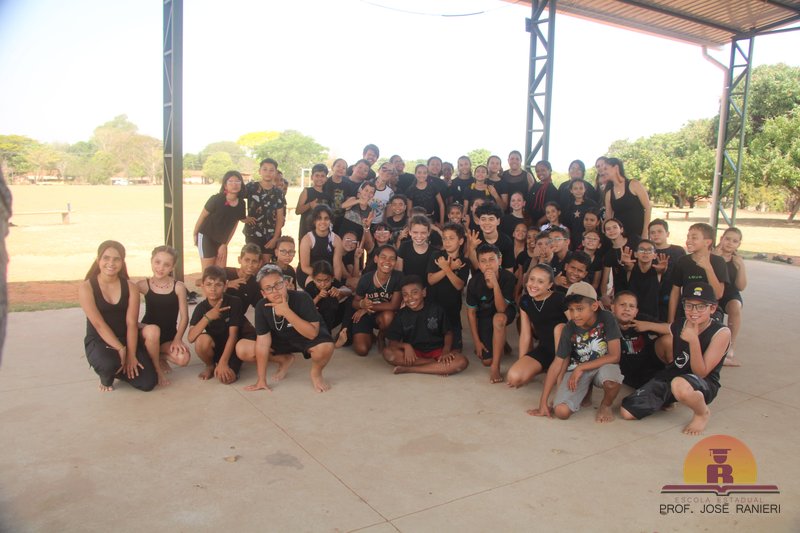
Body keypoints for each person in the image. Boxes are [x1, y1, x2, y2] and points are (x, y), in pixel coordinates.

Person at [621, 283, 731, 435]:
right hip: (673, 376)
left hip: (703, 383)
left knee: (680, 385)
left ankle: (702, 413)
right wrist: (647, 325)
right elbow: (667, 328)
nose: (694, 311)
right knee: (627, 412)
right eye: (689, 305)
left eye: (701, 307)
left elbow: (701, 373)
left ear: (712, 308)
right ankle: (669, 398)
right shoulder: (682, 323)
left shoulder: (721, 332)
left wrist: (693, 341)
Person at [529, 282, 623, 423]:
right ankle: (585, 390)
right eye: (571, 310)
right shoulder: (569, 328)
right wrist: (543, 402)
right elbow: (557, 363)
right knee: (561, 412)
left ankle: (606, 405)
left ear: (594, 306)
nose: (575, 315)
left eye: (579, 309)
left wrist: (581, 367)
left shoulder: (607, 318)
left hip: (602, 365)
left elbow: (615, 356)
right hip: (577, 370)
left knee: (612, 382)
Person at [241, 264, 335, 393]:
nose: (275, 291)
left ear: (285, 283)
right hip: (281, 339)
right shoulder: (261, 306)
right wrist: (261, 380)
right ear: (263, 293)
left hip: (304, 337)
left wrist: (286, 311)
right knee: (243, 348)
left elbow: (312, 334)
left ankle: (316, 374)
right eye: (268, 288)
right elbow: (263, 343)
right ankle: (284, 359)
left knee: (325, 347)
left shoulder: (302, 298)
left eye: (278, 285)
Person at [79, 241, 157, 392]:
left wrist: (131, 355)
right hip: (100, 341)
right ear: (98, 260)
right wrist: (121, 349)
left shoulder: (130, 287)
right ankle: (107, 375)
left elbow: (131, 323)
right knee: (108, 364)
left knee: (148, 383)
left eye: (116, 259)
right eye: (106, 258)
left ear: (122, 262)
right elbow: (98, 324)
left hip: (126, 338)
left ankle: (119, 369)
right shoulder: (86, 287)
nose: (111, 263)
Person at [383, 276, 469, 376]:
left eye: (414, 292)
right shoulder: (401, 315)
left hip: (437, 351)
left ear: (423, 292)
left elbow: (448, 333)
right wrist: (406, 346)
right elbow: (392, 342)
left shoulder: (436, 309)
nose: (410, 298)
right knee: (388, 353)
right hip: (414, 354)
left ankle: (410, 369)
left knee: (461, 361)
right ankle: (437, 366)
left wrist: (446, 351)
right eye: (405, 294)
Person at [506, 264, 568, 389]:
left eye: (540, 281)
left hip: (565, 352)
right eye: (532, 279)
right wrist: (522, 361)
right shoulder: (525, 301)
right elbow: (525, 334)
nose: (534, 285)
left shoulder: (560, 299)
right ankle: (547, 367)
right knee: (514, 377)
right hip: (545, 349)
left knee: (560, 328)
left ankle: (560, 372)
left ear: (549, 285)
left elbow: (576, 326)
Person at [187, 266, 252, 384]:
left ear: (225, 286)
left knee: (227, 379)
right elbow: (191, 338)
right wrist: (208, 317)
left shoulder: (234, 302)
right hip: (215, 346)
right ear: (202, 286)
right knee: (201, 340)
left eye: (218, 285)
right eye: (209, 284)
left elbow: (233, 336)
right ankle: (210, 365)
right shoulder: (201, 308)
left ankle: (227, 362)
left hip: (233, 347)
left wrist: (223, 362)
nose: (213, 289)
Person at [138, 245, 191, 383]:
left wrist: (178, 339)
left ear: (172, 267)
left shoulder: (178, 287)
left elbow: (184, 317)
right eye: (157, 262)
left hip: (168, 336)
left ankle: (158, 357)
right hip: (149, 335)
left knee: (183, 359)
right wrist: (138, 325)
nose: (160, 268)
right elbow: (125, 306)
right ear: (151, 261)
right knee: (153, 332)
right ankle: (157, 368)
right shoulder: (143, 285)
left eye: (166, 265)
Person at [466, 243, 517, 384]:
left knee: (498, 319)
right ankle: (501, 342)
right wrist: (477, 342)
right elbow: (471, 313)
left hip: (505, 312)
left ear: (499, 260)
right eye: (483, 261)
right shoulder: (474, 283)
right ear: (479, 264)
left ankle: (496, 366)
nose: (488, 264)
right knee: (486, 361)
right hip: (485, 315)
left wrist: (495, 284)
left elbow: (501, 309)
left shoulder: (508, 278)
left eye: (491, 259)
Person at [668, 223, 728, 324]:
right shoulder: (682, 261)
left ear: (707, 242)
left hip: (710, 311)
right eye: (688, 237)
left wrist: (708, 268)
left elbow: (718, 294)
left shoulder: (718, 262)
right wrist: (670, 320)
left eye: (694, 238)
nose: (688, 241)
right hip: (687, 310)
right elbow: (675, 292)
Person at [350, 244, 403, 356]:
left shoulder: (398, 277)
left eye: (392, 258)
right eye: (383, 257)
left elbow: (394, 305)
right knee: (361, 350)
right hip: (366, 315)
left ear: (396, 262)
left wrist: (367, 308)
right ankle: (370, 336)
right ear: (376, 259)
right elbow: (355, 302)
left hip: (382, 315)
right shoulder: (366, 278)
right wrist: (361, 304)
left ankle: (381, 335)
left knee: (388, 316)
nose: (387, 261)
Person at [611, 291, 670, 389]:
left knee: (668, 339)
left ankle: (674, 374)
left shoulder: (641, 319)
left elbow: (673, 329)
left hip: (650, 368)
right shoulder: (608, 323)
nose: (627, 309)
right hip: (625, 374)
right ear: (613, 308)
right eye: (622, 305)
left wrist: (649, 325)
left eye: (631, 306)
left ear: (636, 312)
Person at [427, 222, 470, 349]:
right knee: (432, 346)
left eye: (451, 238)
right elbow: (431, 280)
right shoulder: (436, 256)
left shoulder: (464, 261)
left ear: (460, 241)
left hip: (453, 310)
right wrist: (450, 267)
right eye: (444, 238)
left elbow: (459, 285)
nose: (447, 242)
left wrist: (446, 268)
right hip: (434, 307)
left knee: (456, 350)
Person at [193, 170, 246, 270]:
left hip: (222, 241)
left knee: (220, 272)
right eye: (230, 181)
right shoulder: (216, 199)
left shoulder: (241, 204)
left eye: (237, 181)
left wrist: (224, 244)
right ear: (225, 185)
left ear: (241, 184)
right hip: (207, 236)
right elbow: (202, 216)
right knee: (208, 271)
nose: (234, 184)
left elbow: (234, 226)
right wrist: (195, 234)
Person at [713, 227, 747, 366]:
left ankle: (730, 345)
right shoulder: (712, 255)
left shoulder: (737, 260)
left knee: (735, 307)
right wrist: (714, 260)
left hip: (730, 293)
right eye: (727, 239)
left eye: (734, 241)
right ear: (721, 239)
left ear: (738, 244)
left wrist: (741, 267)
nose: (730, 243)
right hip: (713, 292)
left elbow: (741, 287)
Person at [243, 159, 286, 263]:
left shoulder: (278, 192)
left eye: (271, 170)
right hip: (252, 233)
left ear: (275, 172)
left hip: (270, 236)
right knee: (252, 262)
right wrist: (242, 218)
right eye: (265, 169)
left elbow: (280, 217)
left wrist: (275, 238)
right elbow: (236, 200)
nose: (268, 173)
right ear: (259, 171)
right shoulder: (251, 187)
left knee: (265, 264)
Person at [602, 157, 651, 240]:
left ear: (616, 168)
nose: (603, 172)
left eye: (606, 168)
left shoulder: (634, 184)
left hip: (638, 235)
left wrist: (645, 233)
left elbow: (648, 208)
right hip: (620, 238)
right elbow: (608, 218)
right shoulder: (609, 194)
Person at [647, 219, 686, 322]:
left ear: (667, 234)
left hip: (673, 295)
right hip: (651, 296)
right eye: (652, 232)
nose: (656, 235)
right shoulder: (647, 252)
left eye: (660, 231)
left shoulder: (678, 251)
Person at [298, 204, 345, 288]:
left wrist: (335, 284)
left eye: (326, 218)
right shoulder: (307, 239)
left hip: (329, 275)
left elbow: (337, 267)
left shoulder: (336, 239)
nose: (323, 222)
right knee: (315, 288)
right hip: (309, 274)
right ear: (314, 221)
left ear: (330, 220)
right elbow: (305, 267)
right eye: (319, 218)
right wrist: (321, 278)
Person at [305, 260, 352, 338]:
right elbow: (305, 308)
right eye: (319, 281)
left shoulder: (334, 283)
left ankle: (344, 332)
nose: (323, 284)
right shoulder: (310, 287)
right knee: (330, 301)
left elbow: (349, 291)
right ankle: (326, 335)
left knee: (351, 300)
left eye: (326, 280)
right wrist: (318, 297)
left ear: (332, 278)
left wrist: (339, 291)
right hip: (317, 320)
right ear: (313, 279)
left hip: (333, 318)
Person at [622, 239, 666, 319]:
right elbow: (627, 267)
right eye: (642, 249)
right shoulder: (631, 268)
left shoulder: (657, 270)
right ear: (635, 254)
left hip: (652, 317)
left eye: (649, 250)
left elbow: (661, 270)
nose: (645, 252)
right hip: (631, 315)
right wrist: (625, 263)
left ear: (655, 255)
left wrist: (664, 268)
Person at [600, 218, 638, 307]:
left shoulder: (635, 240)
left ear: (621, 229)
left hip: (639, 285)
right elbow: (604, 280)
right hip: (621, 291)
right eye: (608, 229)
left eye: (614, 227)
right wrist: (604, 296)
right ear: (605, 233)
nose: (611, 231)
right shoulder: (609, 254)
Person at [467, 203, 515, 272]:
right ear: (479, 221)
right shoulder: (475, 238)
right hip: (480, 276)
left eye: (491, 219)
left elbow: (509, 270)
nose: (487, 223)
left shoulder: (506, 241)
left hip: (500, 277)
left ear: (498, 221)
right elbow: (477, 268)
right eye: (483, 219)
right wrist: (472, 248)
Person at [296, 163, 332, 241]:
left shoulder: (328, 195)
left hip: (322, 232)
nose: (320, 178)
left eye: (322, 176)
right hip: (306, 231)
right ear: (312, 177)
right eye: (317, 175)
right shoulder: (307, 191)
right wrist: (309, 205)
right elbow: (298, 211)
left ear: (326, 178)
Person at [396, 215, 437, 284]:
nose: (419, 236)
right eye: (415, 232)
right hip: (406, 287)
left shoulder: (434, 252)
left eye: (423, 233)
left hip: (426, 288)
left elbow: (432, 278)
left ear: (428, 233)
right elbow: (399, 272)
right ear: (410, 232)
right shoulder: (404, 246)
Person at [223, 243, 263, 313]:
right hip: (218, 315)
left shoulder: (255, 285)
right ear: (239, 260)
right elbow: (201, 284)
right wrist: (226, 284)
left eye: (254, 261)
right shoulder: (225, 272)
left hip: (237, 318)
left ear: (259, 263)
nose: (250, 265)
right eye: (247, 260)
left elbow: (260, 306)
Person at [564, 179, 599, 250]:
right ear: (571, 190)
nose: (578, 191)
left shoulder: (591, 204)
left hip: (590, 238)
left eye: (581, 188)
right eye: (575, 188)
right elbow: (567, 225)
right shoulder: (569, 206)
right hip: (575, 240)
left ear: (585, 189)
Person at [528, 161, 559, 226]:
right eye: (537, 171)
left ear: (549, 170)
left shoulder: (553, 190)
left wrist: (539, 222)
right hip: (531, 222)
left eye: (543, 170)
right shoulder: (535, 186)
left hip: (545, 224)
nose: (540, 173)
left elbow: (553, 210)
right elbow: (529, 203)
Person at [323, 158, 351, 229]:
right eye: (338, 166)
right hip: (324, 219)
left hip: (340, 220)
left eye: (344, 168)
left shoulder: (347, 185)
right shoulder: (325, 182)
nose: (341, 169)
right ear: (332, 167)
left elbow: (348, 201)